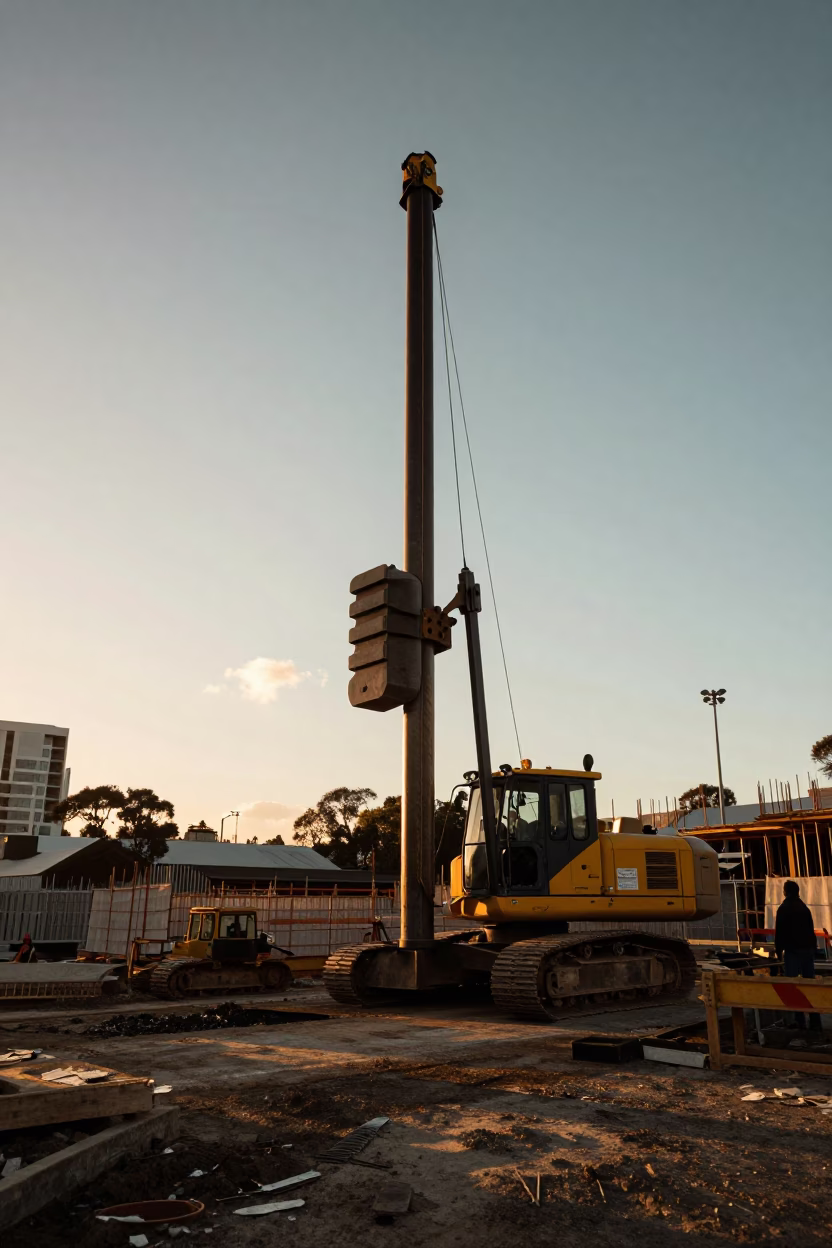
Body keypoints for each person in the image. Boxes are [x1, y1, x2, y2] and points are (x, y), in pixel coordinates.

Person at [774, 880, 820, 1030]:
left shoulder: (784, 908)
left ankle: (800, 1021)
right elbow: (810, 929)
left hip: (792, 951)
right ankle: (815, 1022)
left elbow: (779, 932)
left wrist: (778, 952)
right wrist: (813, 948)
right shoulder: (803, 907)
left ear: (786, 892)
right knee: (809, 985)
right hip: (807, 950)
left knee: (793, 986)